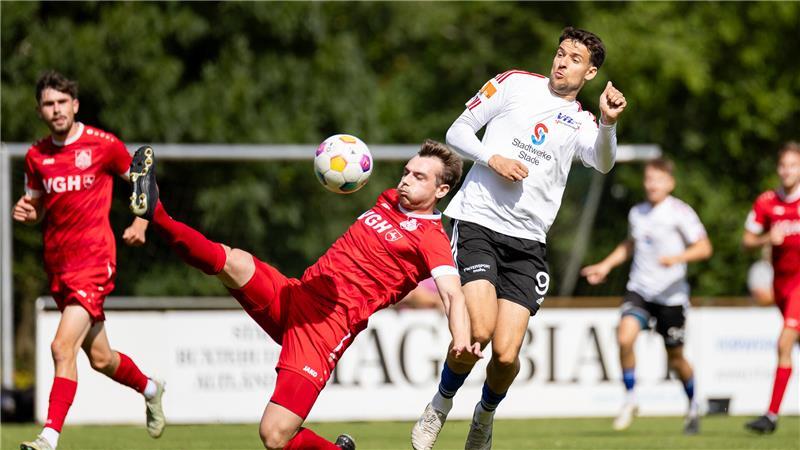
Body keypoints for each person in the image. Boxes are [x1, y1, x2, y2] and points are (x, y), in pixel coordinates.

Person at [127, 139, 482, 450]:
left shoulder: (432, 238)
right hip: (298, 294)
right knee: (231, 261)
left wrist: (461, 338)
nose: (405, 180)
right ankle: (157, 212)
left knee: (274, 435)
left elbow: (451, 292)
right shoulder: (389, 200)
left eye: (419, 177)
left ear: (441, 191)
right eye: (407, 171)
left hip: (324, 330)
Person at [412, 26, 626, 450]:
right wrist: (492, 158)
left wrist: (608, 123)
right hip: (478, 223)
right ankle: (440, 404)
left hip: (528, 243)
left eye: (574, 59)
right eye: (560, 53)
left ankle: (484, 417)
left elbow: (602, 163)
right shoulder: (513, 84)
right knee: (480, 332)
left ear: (590, 73)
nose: (562, 62)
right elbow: (457, 131)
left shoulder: (583, 121)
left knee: (507, 356)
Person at [13, 71, 165, 450]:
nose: (56, 109)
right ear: (40, 110)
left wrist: (140, 223)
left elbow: (144, 181)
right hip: (59, 266)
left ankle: (48, 438)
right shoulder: (37, 156)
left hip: (95, 262)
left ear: (75, 105)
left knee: (61, 347)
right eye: (49, 104)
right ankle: (150, 387)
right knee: (101, 358)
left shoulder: (103, 145)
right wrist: (27, 212)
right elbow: (37, 208)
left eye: (62, 102)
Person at [580, 158, 712, 435]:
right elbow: (630, 245)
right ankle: (630, 398)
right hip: (640, 289)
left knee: (676, 359)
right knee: (624, 337)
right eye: (649, 179)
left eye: (658, 179)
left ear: (670, 183)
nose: (652, 184)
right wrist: (605, 265)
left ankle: (692, 404)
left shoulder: (680, 212)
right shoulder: (637, 212)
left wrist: (677, 257)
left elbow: (704, 247)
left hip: (671, 297)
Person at [743, 141, 800, 434]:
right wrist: (767, 238)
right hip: (781, 285)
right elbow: (746, 240)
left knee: (784, 343)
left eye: (793, 165)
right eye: (783, 165)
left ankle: (771, 416)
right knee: (788, 346)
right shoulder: (766, 202)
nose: (787, 170)